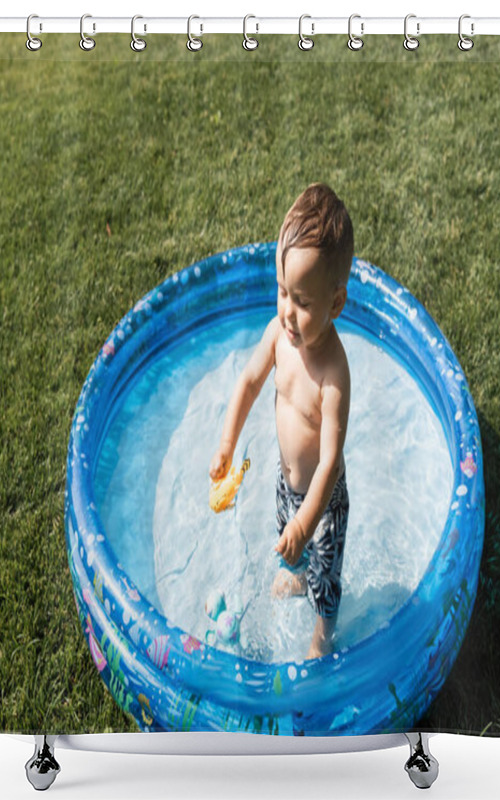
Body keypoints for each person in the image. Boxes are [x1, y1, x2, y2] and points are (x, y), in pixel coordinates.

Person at [209, 183, 353, 659]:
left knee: (324, 574)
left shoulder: (333, 375)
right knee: (286, 543)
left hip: (322, 503)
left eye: (303, 302)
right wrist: (227, 445)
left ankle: (322, 635)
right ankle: (293, 572)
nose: (288, 312)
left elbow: (330, 463)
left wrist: (307, 523)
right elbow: (248, 382)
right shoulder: (278, 336)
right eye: (282, 292)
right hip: (285, 484)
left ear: (335, 305)